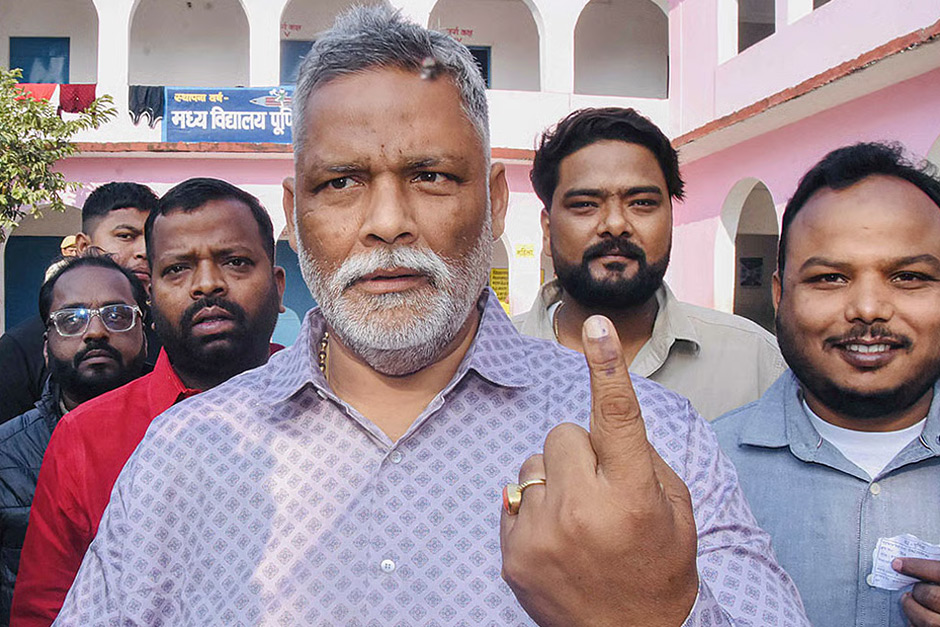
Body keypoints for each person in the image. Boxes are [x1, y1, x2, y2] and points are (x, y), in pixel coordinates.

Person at [49, 7, 806, 626]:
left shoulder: (657, 440)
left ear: (498, 201)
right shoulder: (183, 453)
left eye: (431, 176)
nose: (387, 222)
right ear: (294, 213)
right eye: (341, 181)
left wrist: (655, 614)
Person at [11, 178, 285, 626]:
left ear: (277, 286)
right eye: (177, 269)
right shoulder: (86, 436)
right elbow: (45, 612)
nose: (207, 285)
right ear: (151, 298)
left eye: (235, 262)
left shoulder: (334, 406)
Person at [712, 142, 940, 627]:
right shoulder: (698, 473)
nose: (869, 308)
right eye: (831, 278)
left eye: (909, 276)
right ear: (779, 294)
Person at [514, 108, 785, 420]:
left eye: (641, 203)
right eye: (585, 204)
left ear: (671, 218)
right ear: (547, 231)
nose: (615, 224)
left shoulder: (757, 364)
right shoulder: (486, 362)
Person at [0, 254, 148, 627]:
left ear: (145, 335)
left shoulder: (188, 434)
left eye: (116, 315)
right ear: (46, 346)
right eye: (71, 319)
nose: (96, 332)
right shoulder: (5, 457)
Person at [0, 182, 159, 424]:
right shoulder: (19, 349)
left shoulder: (170, 339)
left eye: (151, 239)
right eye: (126, 236)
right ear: (84, 246)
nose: (144, 251)